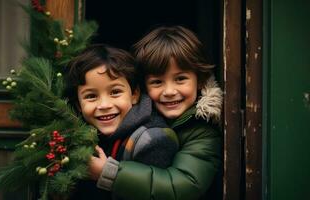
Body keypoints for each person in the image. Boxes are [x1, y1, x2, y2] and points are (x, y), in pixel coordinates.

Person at [90, 26, 223, 200]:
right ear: (143, 86)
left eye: (180, 79)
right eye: (157, 82)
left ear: (200, 80)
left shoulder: (203, 132)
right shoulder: (138, 118)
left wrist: (109, 173)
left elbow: (183, 186)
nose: (169, 91)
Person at [64, 44, 179, 199]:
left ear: (135, 94)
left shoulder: (153, 139)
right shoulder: (84, 138)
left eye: (115, 92)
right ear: (78, 105)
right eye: (91, 96)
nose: (104, 105)